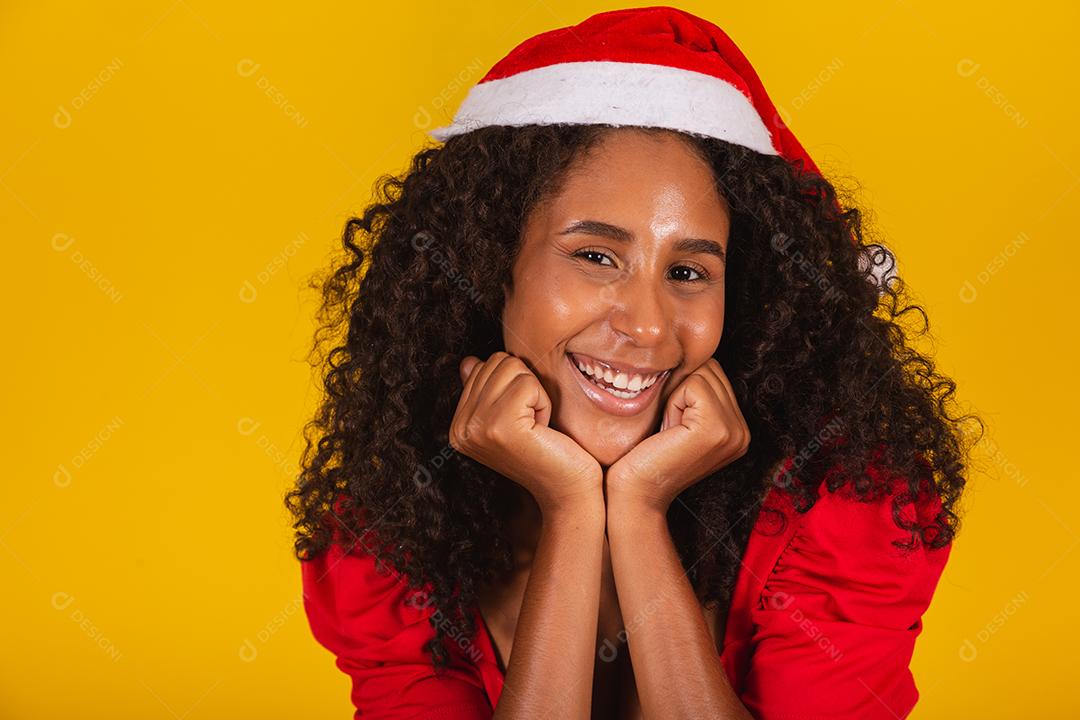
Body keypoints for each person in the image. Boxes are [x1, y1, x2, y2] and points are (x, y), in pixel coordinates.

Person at [285, 5, 979, 719]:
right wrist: (572, 510)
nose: (648, 326)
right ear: (492, 267)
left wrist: (640, 514)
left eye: (689, 272)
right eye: (595, 256)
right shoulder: (390, 536)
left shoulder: (849, 508)